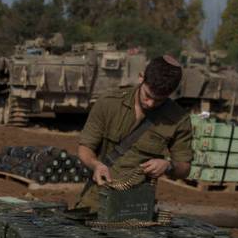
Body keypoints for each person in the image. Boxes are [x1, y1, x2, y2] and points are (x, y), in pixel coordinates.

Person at [76, 55, 193, 213]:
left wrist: (168, 166)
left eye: (159, 100)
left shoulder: (179, 119)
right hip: (96, 200)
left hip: (136, 208)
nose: (151, 103)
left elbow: (184, 168)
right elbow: (85, 148)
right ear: (141, 77)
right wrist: (96, 165)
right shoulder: (108, 103)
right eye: (148, 96)